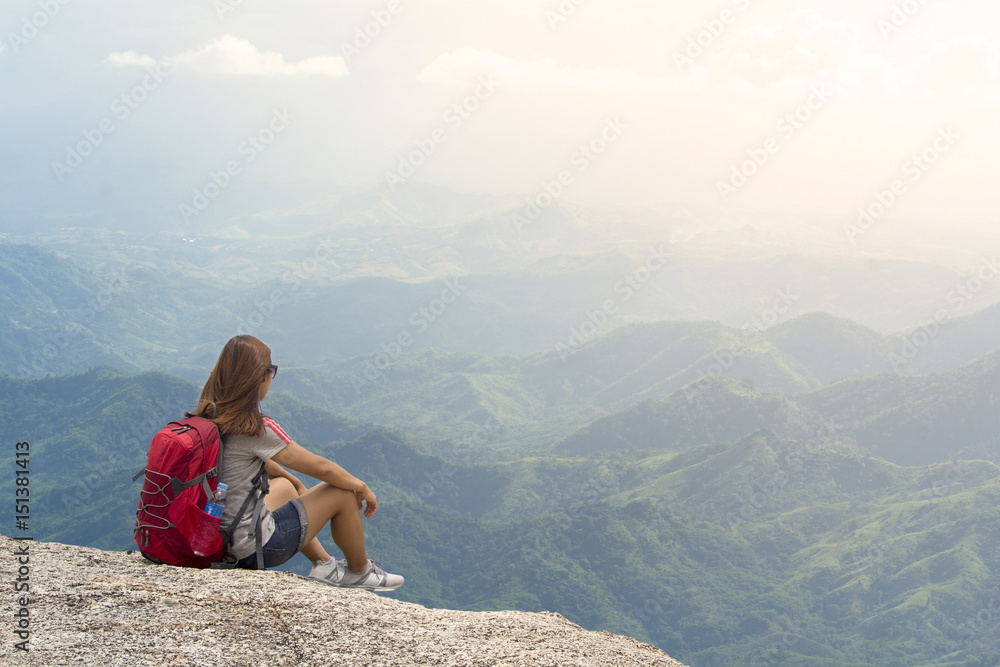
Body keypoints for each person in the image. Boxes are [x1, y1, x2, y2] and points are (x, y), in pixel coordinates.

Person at [186, 334, 403, 590]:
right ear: (260, 377)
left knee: (285, 486)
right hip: (250, 550)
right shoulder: (253, 427)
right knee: (342, 491)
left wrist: (294, 482)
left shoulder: (207, 416)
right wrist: (362, 487)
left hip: (211, 537)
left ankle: (324, 564)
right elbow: (322, 468)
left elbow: (251, 464)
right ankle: (360, 572)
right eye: (271, 371)